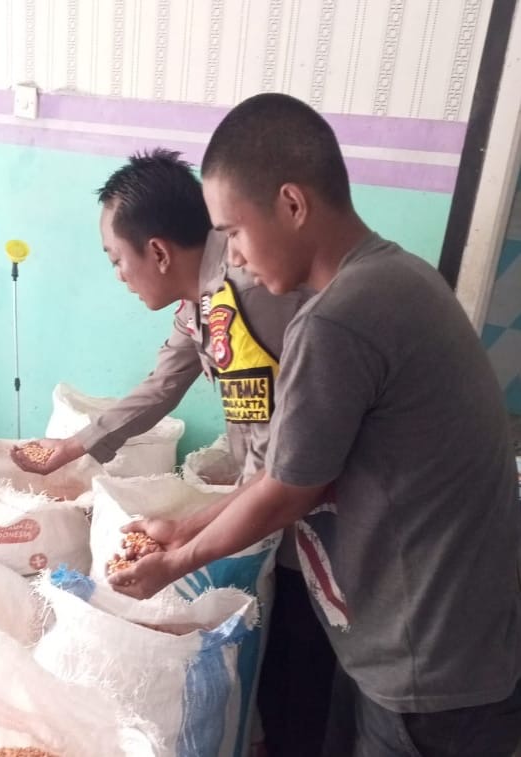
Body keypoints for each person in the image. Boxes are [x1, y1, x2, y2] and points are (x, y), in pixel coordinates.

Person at [106, 94, 521, 757]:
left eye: (234, 232)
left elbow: (288, 492)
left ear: (293, 205)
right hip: (446, 638)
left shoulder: (337, 320)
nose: (234, 258)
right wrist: (184, 528)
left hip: (428, 662)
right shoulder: (400, 278)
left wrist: (176, 562)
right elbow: (291, 467)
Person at [11, 148, 336, 756]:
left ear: (158, 251)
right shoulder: (200, 300)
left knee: (307, 658)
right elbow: (162, 385)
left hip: (316, 494)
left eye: (117, 260)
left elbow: (281, 468)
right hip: (282, 484)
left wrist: (182, 548)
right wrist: (73, 447)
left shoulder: (238, 296)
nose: (119, 276)